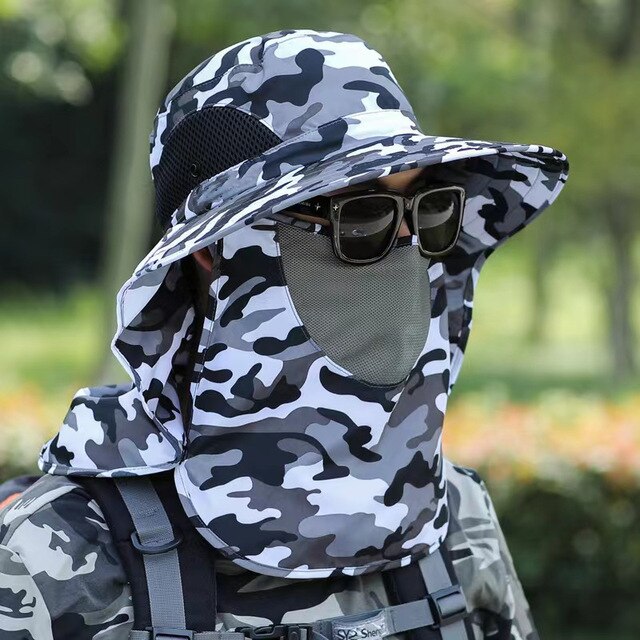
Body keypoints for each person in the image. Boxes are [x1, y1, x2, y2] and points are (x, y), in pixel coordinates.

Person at [0, 28, 569, 640]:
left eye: (428, 209)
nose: (408, 252)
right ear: (217, 249)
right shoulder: (59, 557)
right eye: (361, 215)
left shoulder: (454, 521)